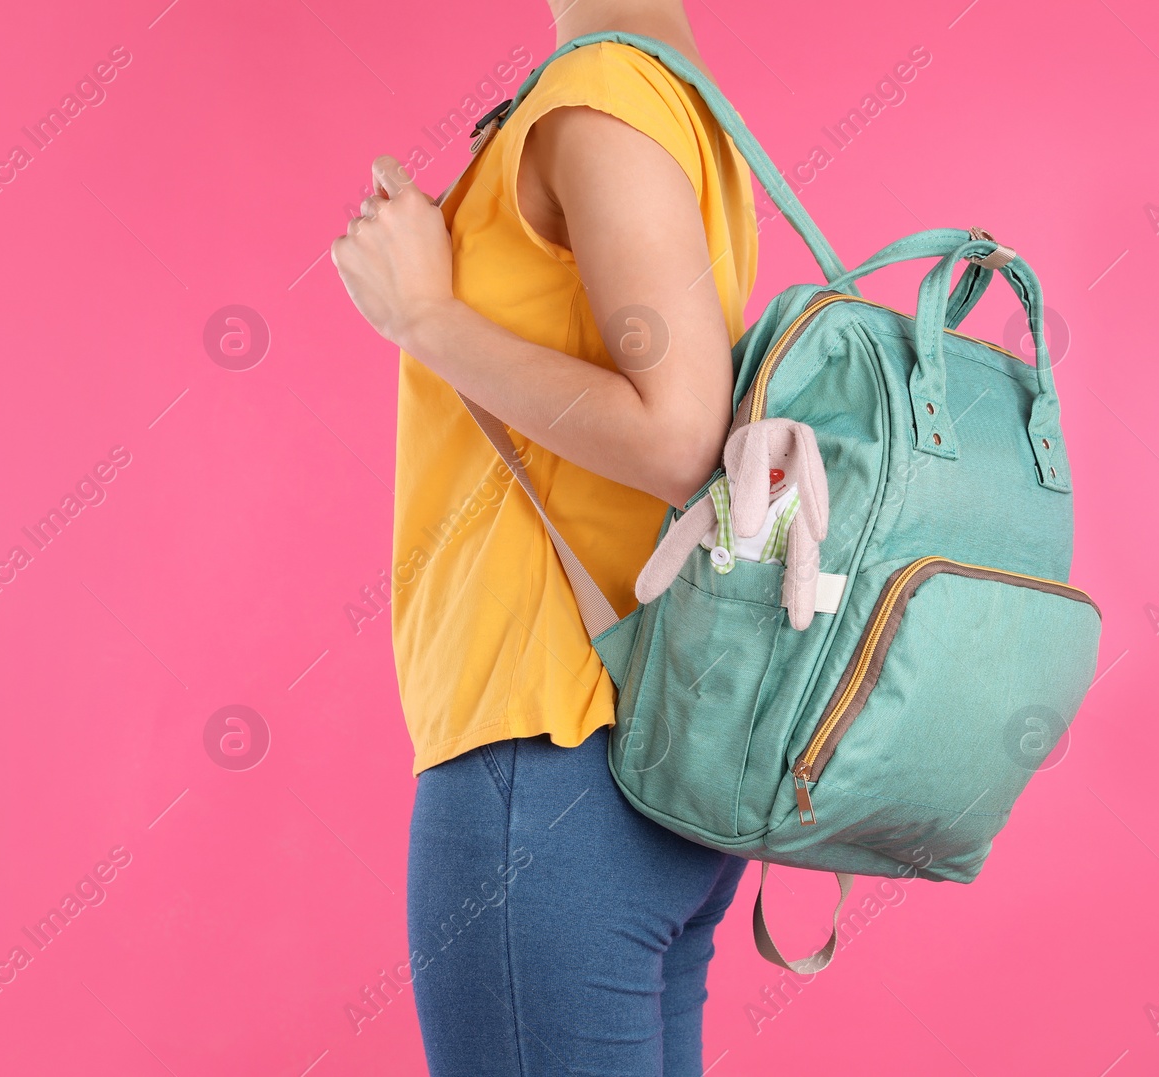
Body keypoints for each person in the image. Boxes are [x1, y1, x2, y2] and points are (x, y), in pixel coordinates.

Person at [331, 1, 760, 1072]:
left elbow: (678, 436)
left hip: (550, 753)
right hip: (641, 756)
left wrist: (425, 317)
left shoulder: (602, 97)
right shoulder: (666, 93)